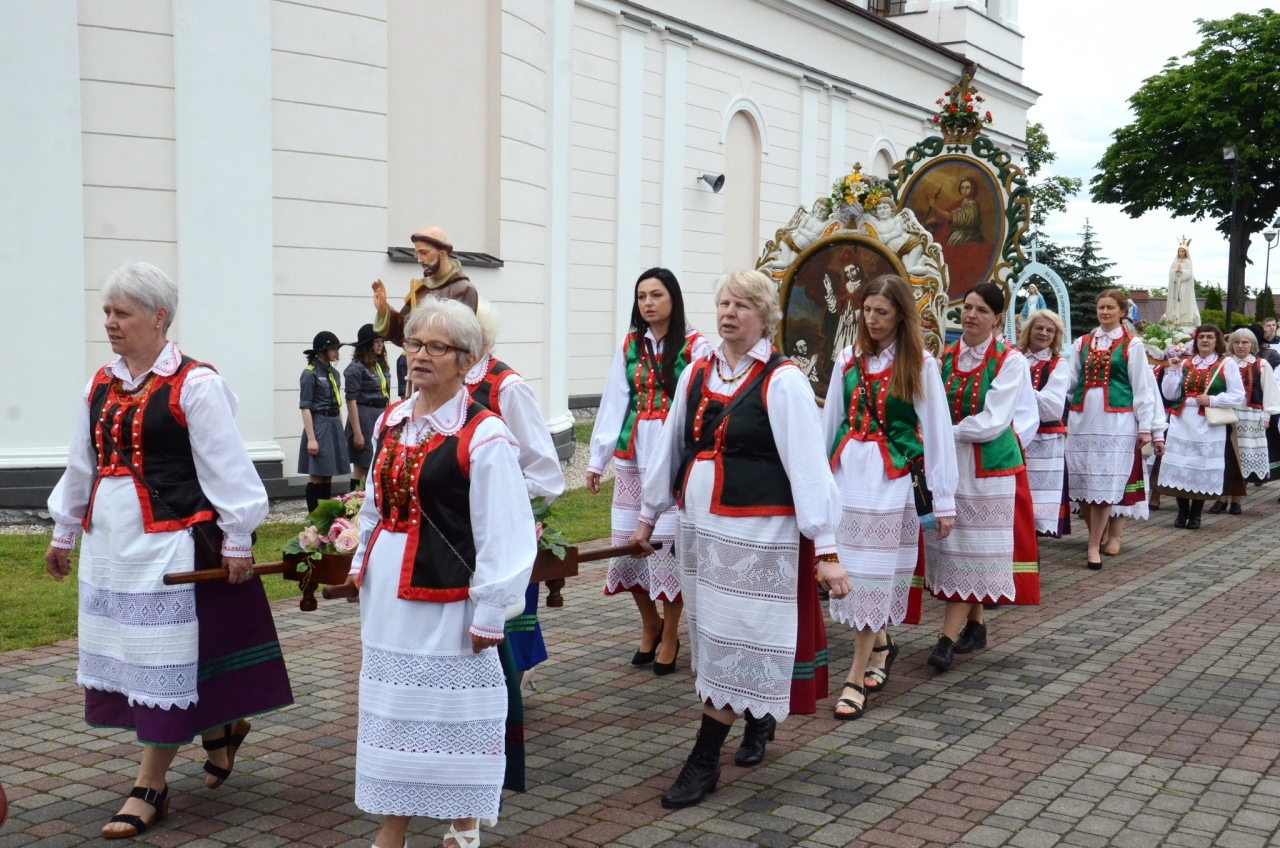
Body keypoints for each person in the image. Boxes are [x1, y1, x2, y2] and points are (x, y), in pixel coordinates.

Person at [45, 262, 292, 839]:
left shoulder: (195, 384)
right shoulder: (99, 385)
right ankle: (222, 730)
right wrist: (64, 531)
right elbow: (82, 463)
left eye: (122, 313)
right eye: (106, 312)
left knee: (162, 662)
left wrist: (237, 537)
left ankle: (149, 786)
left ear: (159, 318)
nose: (109, 322)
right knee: (144, 656)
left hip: (170, 544)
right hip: (110, 548)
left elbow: (228, 468)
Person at [630, 270, 842, 808]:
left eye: (742, 305)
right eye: (723, 303)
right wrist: (648, 516)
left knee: (738, 635)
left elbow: (809, 466)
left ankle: (704, 760)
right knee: (713, 636)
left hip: (759, 532)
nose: (729, 313)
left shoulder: (784, 380)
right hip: (703, 528)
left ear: (765, 317)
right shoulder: (697, 372)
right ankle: (756, 717)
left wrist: (828, 548)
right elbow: (671, 443)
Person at [341, 298, 536, 848]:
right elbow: (375, 503)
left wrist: (493, 609)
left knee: (451, 712)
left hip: (447, 593)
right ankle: (394, 824)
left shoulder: (485, 434)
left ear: (467, 360)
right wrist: (359, 562)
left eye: (436, 347)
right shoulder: (393, 420)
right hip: (389, 595)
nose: (420, 356)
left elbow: (506, 531)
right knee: (394, 709)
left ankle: (462, 821)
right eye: (414, 344)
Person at [820, 275, 957, 720]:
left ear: (900, 314)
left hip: (890, 481)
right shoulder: (847, 359)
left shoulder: (919, 363)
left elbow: (937, 435)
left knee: (871, 578)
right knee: (848, 576)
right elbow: (830, 423)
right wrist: (817, 485)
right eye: (868, 310)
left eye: (882, 311)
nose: (873, 319)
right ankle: (881, 645)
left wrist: (944, 499)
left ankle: (854, 677)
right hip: (846, 478)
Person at [587, 269, 710, 674]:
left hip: (674, 454)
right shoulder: (630, 345)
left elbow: (702, 406)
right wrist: (597, 459)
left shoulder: (696, 346)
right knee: (628, 544)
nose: (648, 303)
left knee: (667, 548)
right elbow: (613, 401)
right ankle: (649, 622)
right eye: (641, 296)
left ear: (673, 298)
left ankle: (671, 633)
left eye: (656, 295)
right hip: (634, 451)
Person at [924, 283, 1031, 672]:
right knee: (957, 549)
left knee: (974, 550)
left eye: (981, 311)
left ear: (997, 318)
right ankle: (976, 625)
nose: (970, 315)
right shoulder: (945, 356)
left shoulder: (1010, 359)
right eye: (967, 307)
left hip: (987, 468)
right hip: (951, 464)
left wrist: (940, 433)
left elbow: (993, 421)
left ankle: (946, 640)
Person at [468, 301, 565, 678]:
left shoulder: (506, 387)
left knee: (505, 630)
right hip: (454, 534)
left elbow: (545, 474)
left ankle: (509, 703)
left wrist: (501, 504)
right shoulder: (442, 386)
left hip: (501, 532)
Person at [1063, 290, 1164, 567]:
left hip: (1117, 422)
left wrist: (1146, 428)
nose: (1104, 312)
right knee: (1081, 480)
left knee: (1106, 482)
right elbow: (1069, 382)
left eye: (1110, 308)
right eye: (1101, 307)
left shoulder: (1132, 345)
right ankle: (1095, 534)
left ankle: (1093, 545)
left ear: (1122, 312)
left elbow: (1143, 389)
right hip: (1082, 419)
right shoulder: (1082, 343)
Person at [1160, 324, 1245, 529]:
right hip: (1182, 420)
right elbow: (1170, 395)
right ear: (1195, 341)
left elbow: (1238, 395)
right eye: (1201, 337)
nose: (1205, 341)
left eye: (1209, 337)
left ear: (1217, 341)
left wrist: (1212, 400)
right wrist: (1171, 371)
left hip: (1208, 423)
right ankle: (1182, 512)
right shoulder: (1185, 363)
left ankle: (1196, 514)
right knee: (1180, 466)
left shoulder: (1226, 364)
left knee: (1202, 467)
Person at [1209, 328, 1279, 514]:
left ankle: (1237, 499)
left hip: (1251, 417)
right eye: (1237, 342)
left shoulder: (1261, 364)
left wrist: (1266, 417)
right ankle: (1221, 497)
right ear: (1231, 344)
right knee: (1225, 456)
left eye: (1245, 342)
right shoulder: (1224, 363)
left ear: (1252, 345)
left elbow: (1271, 393)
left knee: (1244, 458)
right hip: (1226, 415)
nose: (1240, 346)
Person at [371, 226, 479, 346]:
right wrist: (384, 310)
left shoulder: (462, 289)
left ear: (442, 253)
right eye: (417, 253)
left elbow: (459, 338)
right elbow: (404, 332)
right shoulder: (421, 289)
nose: (419, 260)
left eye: (424, 253)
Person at [1018, 310, 1071, 537]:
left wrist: (1020, 390)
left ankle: (1030, 550)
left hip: (1045, 438)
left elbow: (1052, 409)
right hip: (1014, 436)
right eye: (1039, 327)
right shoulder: (1013, 357)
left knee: (1038, 497)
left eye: (1050, 330)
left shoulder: (1058, 364)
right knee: (1016, 493)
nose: (1044, 333)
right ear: (1029, 330)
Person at [299, 330, 350, 513]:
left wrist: (342, 433)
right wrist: (311, 438)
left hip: (333, 423)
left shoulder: (334, 374)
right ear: (321, 351)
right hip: (319, 423)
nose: (337, 352)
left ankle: (325, 517)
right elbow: (305, 407)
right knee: (317, 475)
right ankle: (314, 517)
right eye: (333, 348)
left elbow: (338, 404)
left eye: (337, 348)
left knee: (328, 474)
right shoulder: (310, 374)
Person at [345, 324, 391, 493]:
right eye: (375, 342)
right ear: (366, 345)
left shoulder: (380, 366)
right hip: (364, 418)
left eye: (381, 341)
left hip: (380, 416)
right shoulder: (355, 368)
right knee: (362, 467)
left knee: (378, 464)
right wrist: (357, 433)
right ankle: (354, 505)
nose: (380, 345)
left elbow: (386, 395)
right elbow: (351, 401)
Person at [1165, 242, 1200, 328]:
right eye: (1179, 251)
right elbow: (1171, 272)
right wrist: (1175, 271)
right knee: (1175, 300)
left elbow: (1189, 274)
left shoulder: (1188, 262)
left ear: (1186, 252)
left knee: (1183, 300)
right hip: (1176, 284)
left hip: (1184, 285)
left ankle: (1184, 319)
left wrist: (1182, 271)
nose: (1181, 253)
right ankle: (1173, 319)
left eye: (1182, 251)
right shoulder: (1175, 261)